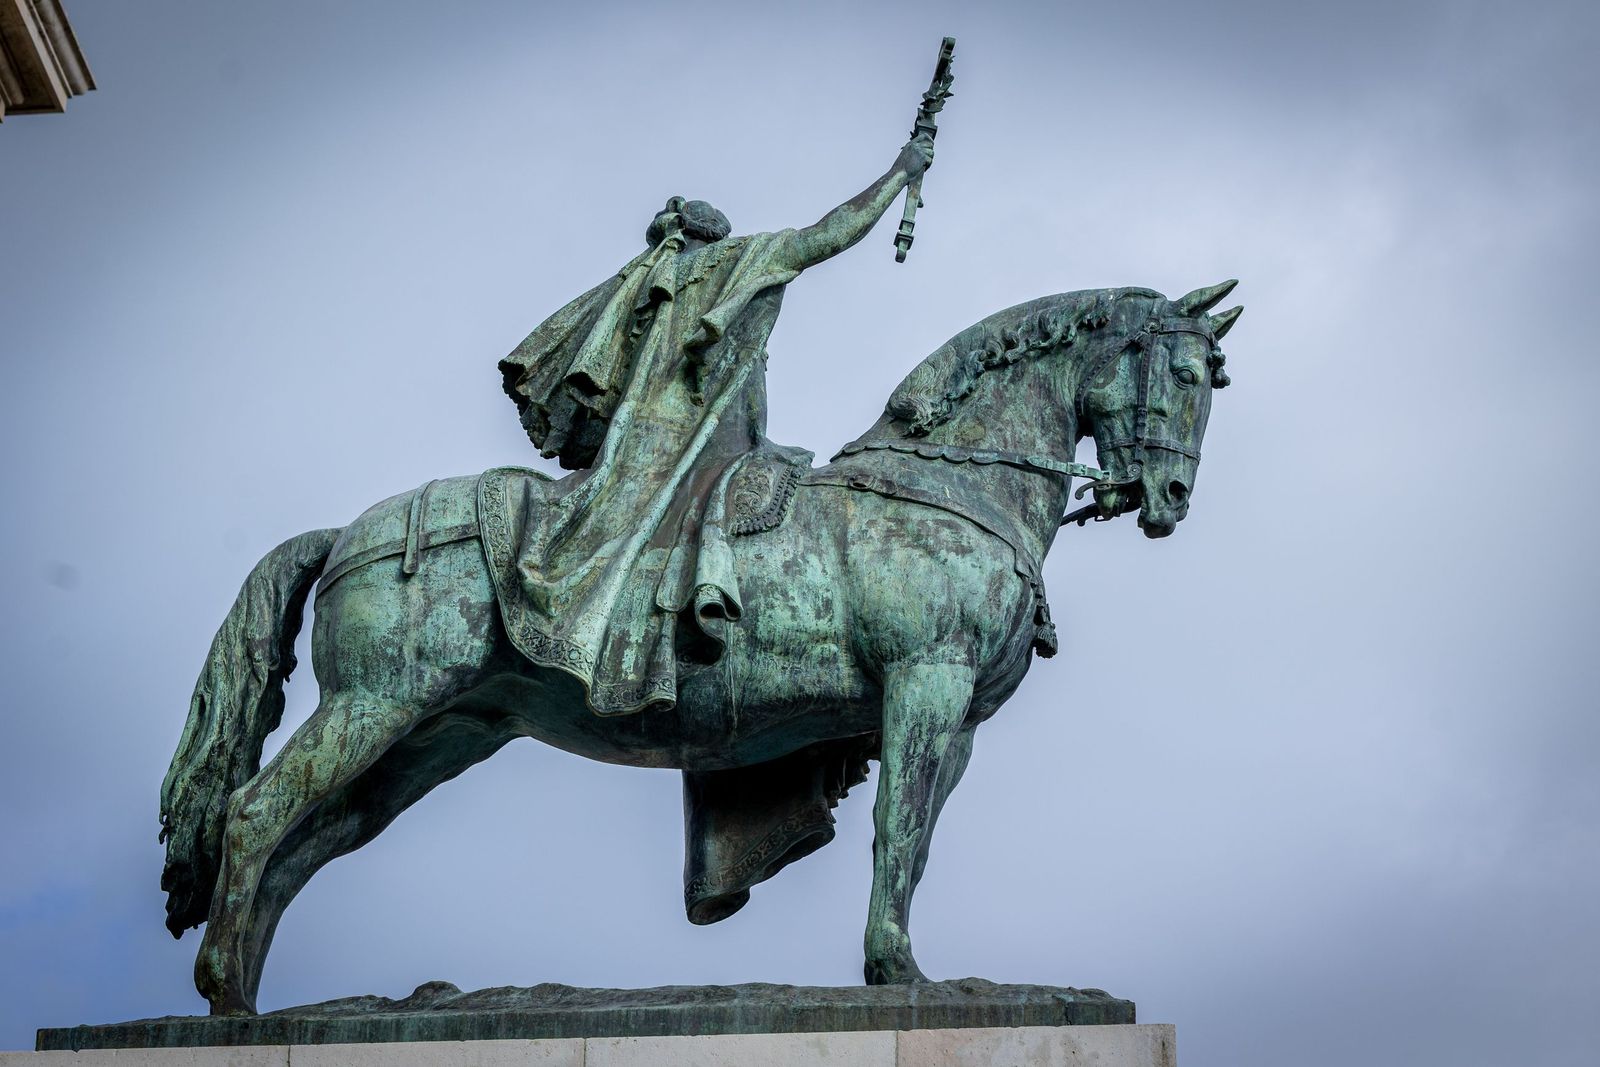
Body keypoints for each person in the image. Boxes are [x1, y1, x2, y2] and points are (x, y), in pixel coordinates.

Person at [492, 133, 935, 715]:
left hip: (641, 445)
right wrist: (901, 171)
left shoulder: (646, 285)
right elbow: (833, 233)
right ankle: (698, 601)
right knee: (722, 510)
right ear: (716, 235)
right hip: (702, 443)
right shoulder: (737, 262)